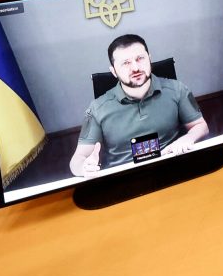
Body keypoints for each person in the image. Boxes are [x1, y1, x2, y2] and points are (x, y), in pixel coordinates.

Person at [69, 34, 209, 176]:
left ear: (149, 59)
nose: (135, 68)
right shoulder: (96, 109)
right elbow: (77, 159)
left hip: (173, 167)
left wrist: (187, 138)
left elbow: (200, 126)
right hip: (124, 178)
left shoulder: (177, 89)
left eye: (140, 58)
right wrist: (83, 167)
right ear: (114, 71)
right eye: (126, 63)